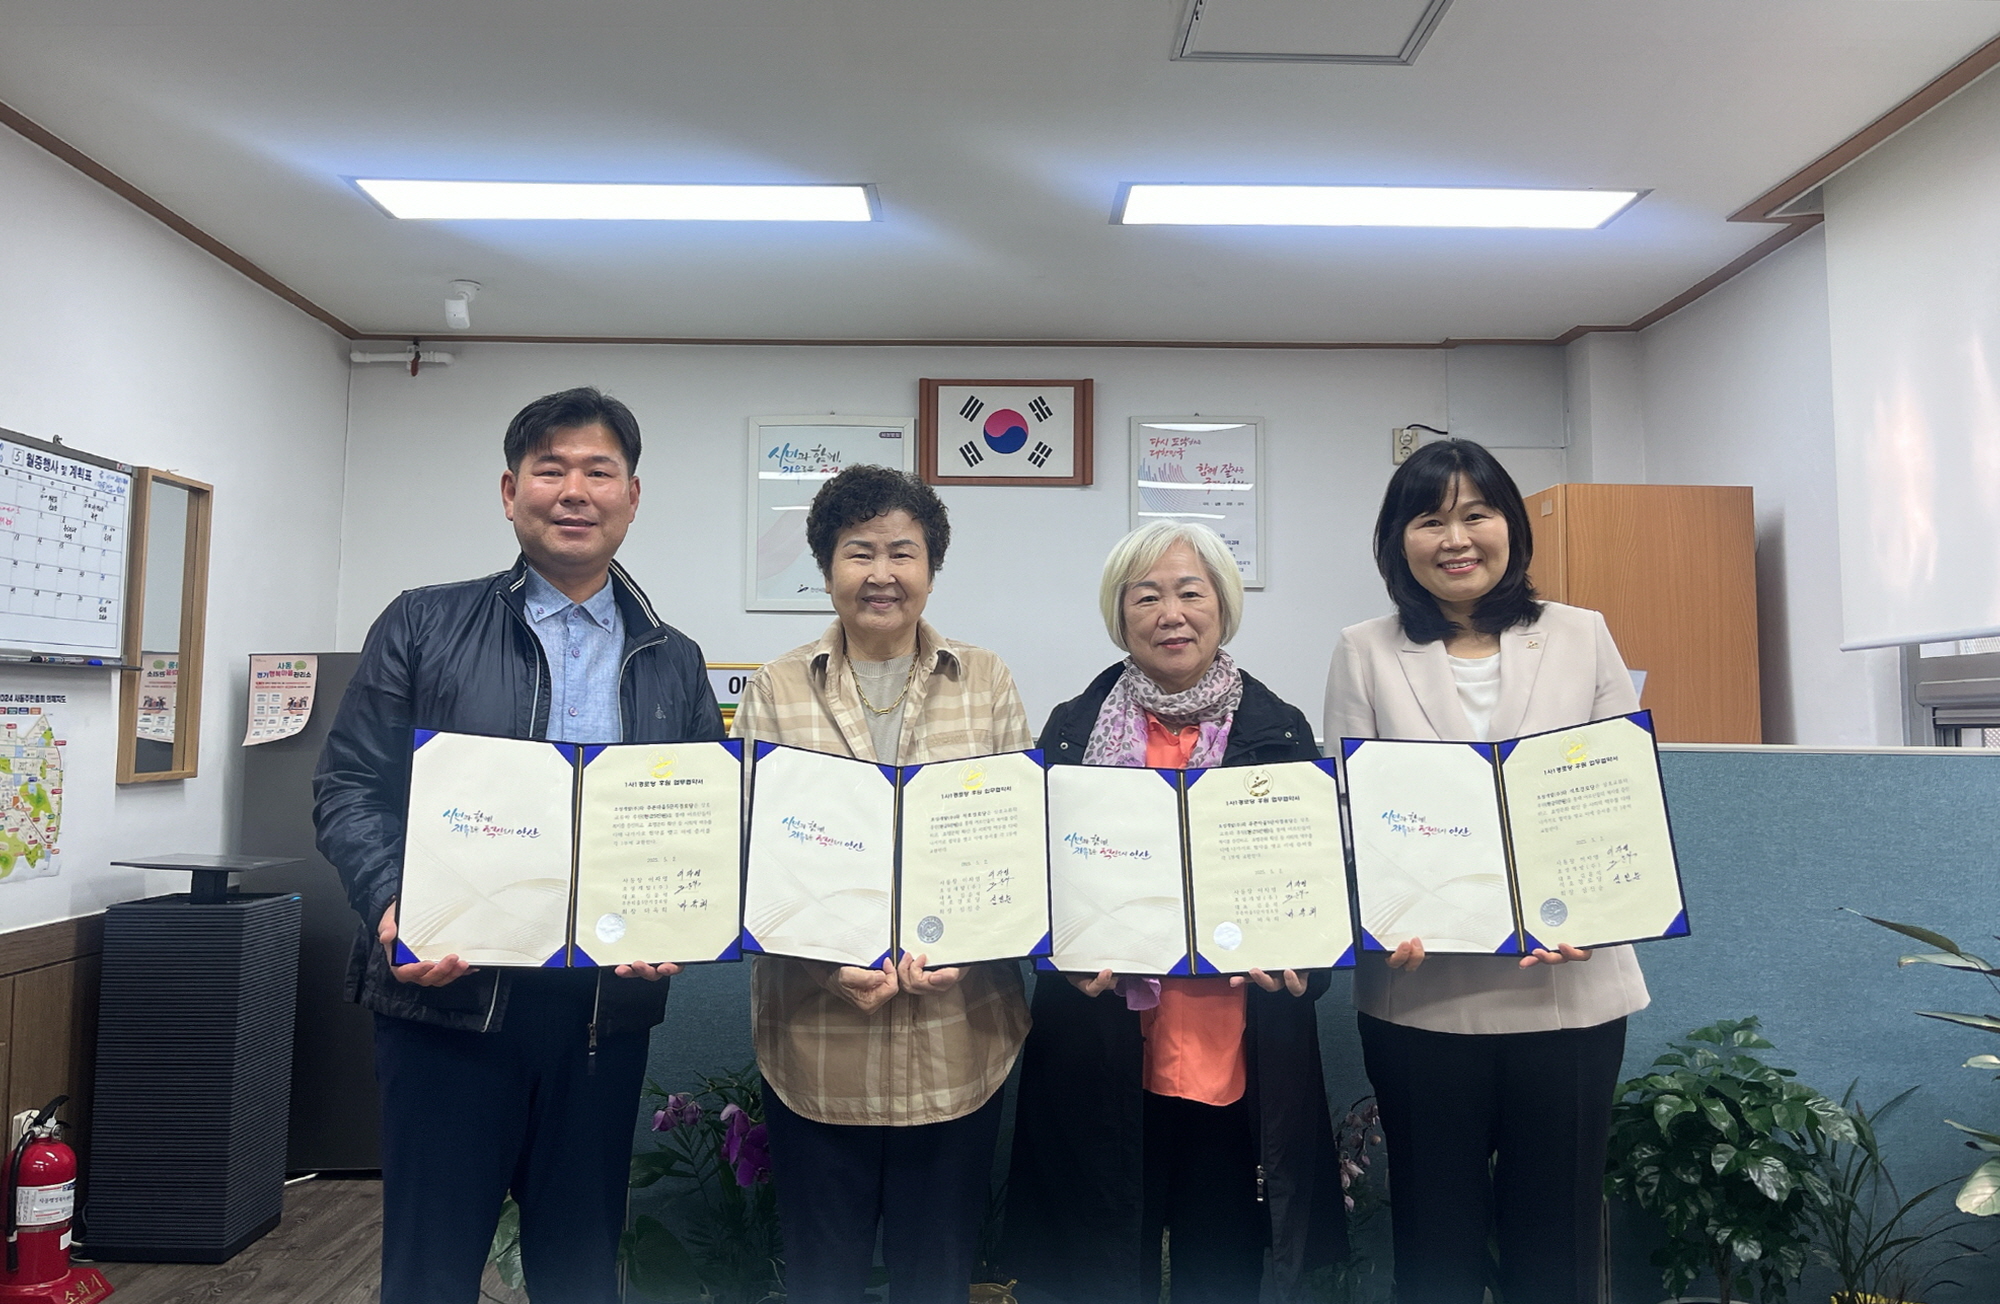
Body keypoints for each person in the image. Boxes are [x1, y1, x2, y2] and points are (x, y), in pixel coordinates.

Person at [312, 387, 723, 1304]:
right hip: (446, 1000)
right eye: (551, 469)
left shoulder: (674, 659)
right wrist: (392, 907)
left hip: (598, 1017)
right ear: (510, 492)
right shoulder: (422, 623)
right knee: (429, 1270)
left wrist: (681, 926)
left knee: (580, 1266)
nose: (573, 490)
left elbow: (699, 824)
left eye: (598, 471)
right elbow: (349, 789)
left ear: (632, 495)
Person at [1322, 438, 1649, 1304]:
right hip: (1423, 990)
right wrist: (1381, 913)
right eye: (1430, 519)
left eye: (1477, 513)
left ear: (1511, 527)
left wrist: (1592, 909)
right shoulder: (1364, 649)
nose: (1456, 537)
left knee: (1560, 1236)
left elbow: (1619, 798)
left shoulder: (1582, 635)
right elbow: (1353, 813)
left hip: (1570, 989)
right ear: (1400, 541)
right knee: (1434, 1235)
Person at [1004, 520, 1347, 1304]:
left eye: (1191, 592)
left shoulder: (1282, 732)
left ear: (1222, 607)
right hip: (1101, 1055)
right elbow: (1030, 885)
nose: (1172, 613)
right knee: (1096, 1274)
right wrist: (1052, 952)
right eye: (1147, 595)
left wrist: (1307, 968)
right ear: (1119, 615)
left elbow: (1320, 894)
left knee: (1221, 1275)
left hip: (1237, 1063)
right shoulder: (1070, 730)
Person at [732, 465, 1032, 1304]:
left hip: (958, 1039)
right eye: (858, 551)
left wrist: (970, 945)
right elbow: (757, 856)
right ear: (826, 566)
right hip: (818, 1043)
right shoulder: (777, 687)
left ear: (931, 567)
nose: (882, 573)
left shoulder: (987, 681)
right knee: (823, 1280)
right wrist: (828, 960)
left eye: (904, 552)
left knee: (935, 1281)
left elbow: (1012, 847)